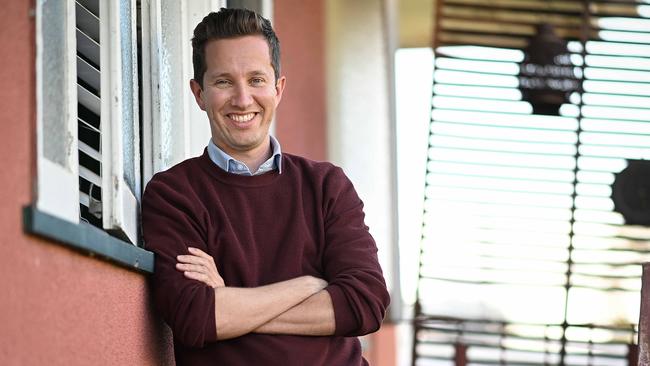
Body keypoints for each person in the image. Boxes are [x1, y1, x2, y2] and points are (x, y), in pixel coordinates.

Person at [142, 7, 390, 365]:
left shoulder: (326, 186)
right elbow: (195, 318)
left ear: (278, 89)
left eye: (256, 79)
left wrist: (230, 301)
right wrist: (308, 285)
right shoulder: (174, 194)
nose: (243, 100)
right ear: (199, 93)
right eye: (223, 82)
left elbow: (364, 303)